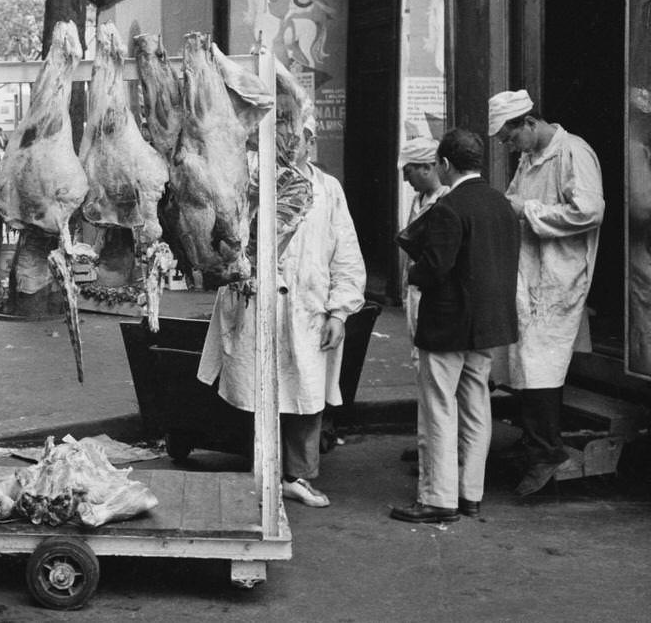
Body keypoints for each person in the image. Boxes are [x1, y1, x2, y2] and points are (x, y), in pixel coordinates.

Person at [197, 116, 365, 508]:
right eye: (282, 138)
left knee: (307, 394)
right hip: (256, 301)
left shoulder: (328, 189)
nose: (291, 145)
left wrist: (339, 312)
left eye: (298, 138)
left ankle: (298, 476)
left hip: (309, 307)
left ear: (310, 141)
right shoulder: (250, 183)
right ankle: (263, 472)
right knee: (258, 392)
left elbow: (347, 253)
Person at [389, 129, 520, 524]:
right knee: (477, 408)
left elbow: (436, 268)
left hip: (447, 324)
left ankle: (438, 499)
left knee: (439, 409)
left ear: (445, 164)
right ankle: (470, 494)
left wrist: (414, 272)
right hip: (489, 325)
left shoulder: (449, 207)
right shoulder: (502, 205)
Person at [489, 89, 605, 496]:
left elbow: (590, 210)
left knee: (540, 363)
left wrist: (530, 211)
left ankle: (546, 452)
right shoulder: (529, 158)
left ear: (529, 123)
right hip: (532, 272)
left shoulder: (573, 152)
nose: (508, 146)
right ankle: (535, 445)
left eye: (509, 137)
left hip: (559, 275)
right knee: (524, 360)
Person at [398, 137, 450, 359]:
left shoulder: (448, 199)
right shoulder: (418, 200)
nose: (405, 180)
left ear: (427, 168)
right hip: (414, 291)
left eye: (409, 172)